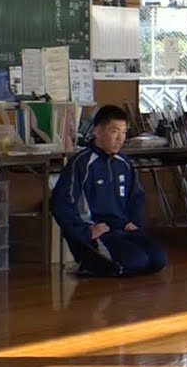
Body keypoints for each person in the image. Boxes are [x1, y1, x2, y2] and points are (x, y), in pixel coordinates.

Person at [51, 105, 167, 276]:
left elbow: (136, 197)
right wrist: (86, 232)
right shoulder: (81, 163)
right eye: (114, 132)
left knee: (158, 260)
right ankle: (87, 263)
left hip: (122, 229)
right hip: (98, 233)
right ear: (97, 131)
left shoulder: (124, 163)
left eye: (124, 132)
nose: (120, 139)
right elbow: (61, 204)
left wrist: (134, 222)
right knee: (136, 262)